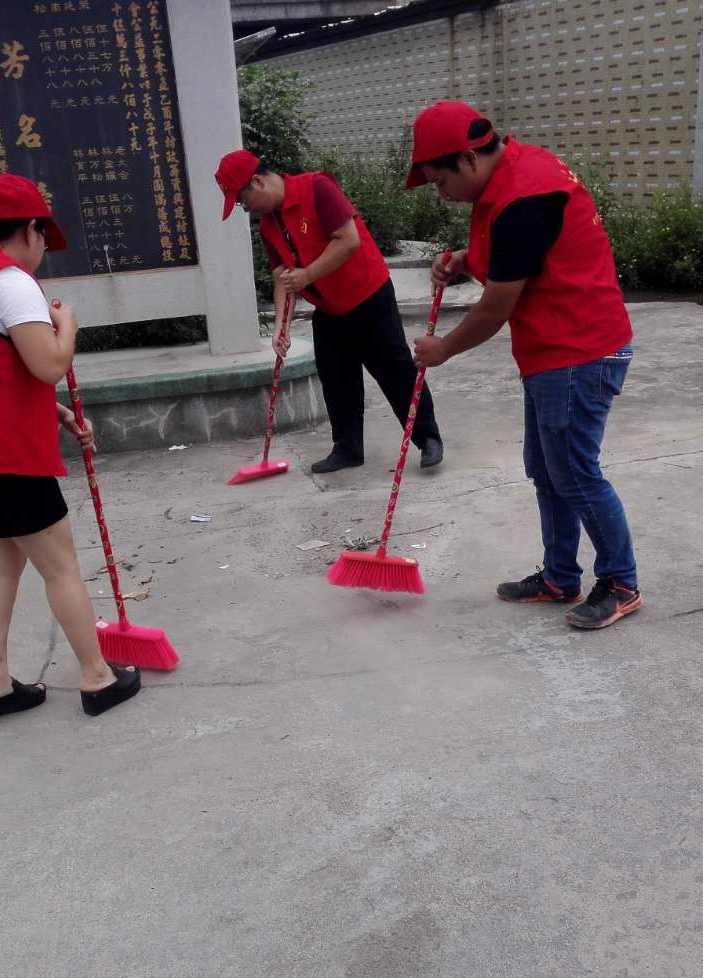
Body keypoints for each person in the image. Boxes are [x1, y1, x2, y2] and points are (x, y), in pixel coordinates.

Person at [407, 101, 641, 631]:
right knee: (547, 470)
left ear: (468, 158)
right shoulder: (509, 178)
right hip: (551, 352)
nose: (442, 194)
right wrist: (466, 260)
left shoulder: (524, 197)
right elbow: (520, 255)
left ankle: (621, 583)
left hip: (579, 352)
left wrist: (443, 348)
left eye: (441, 182)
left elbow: (495, 309)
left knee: (575, 473)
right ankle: (560, 576)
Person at [0, 173, 140, 720]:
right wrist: (67, 325)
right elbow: (48, 363)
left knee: (2, 568)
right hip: (10, 458)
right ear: (29, 229)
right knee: (61, 567)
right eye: (44, 236)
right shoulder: (10, 283)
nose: (44, 248)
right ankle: (97, 677)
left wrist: (55, 410)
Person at [215, 149, 444, 474]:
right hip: (328, 308)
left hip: (368, 294)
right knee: (336, 379)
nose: (244, 208)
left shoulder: (316, 188)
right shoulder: (268, 225)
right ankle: (348, 448)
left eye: (241, 200)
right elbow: (282, 277)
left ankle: (428, 438)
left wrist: (308, 275)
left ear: (257, 182)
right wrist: (281, 326)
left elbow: (348, 239)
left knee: (395, 372)